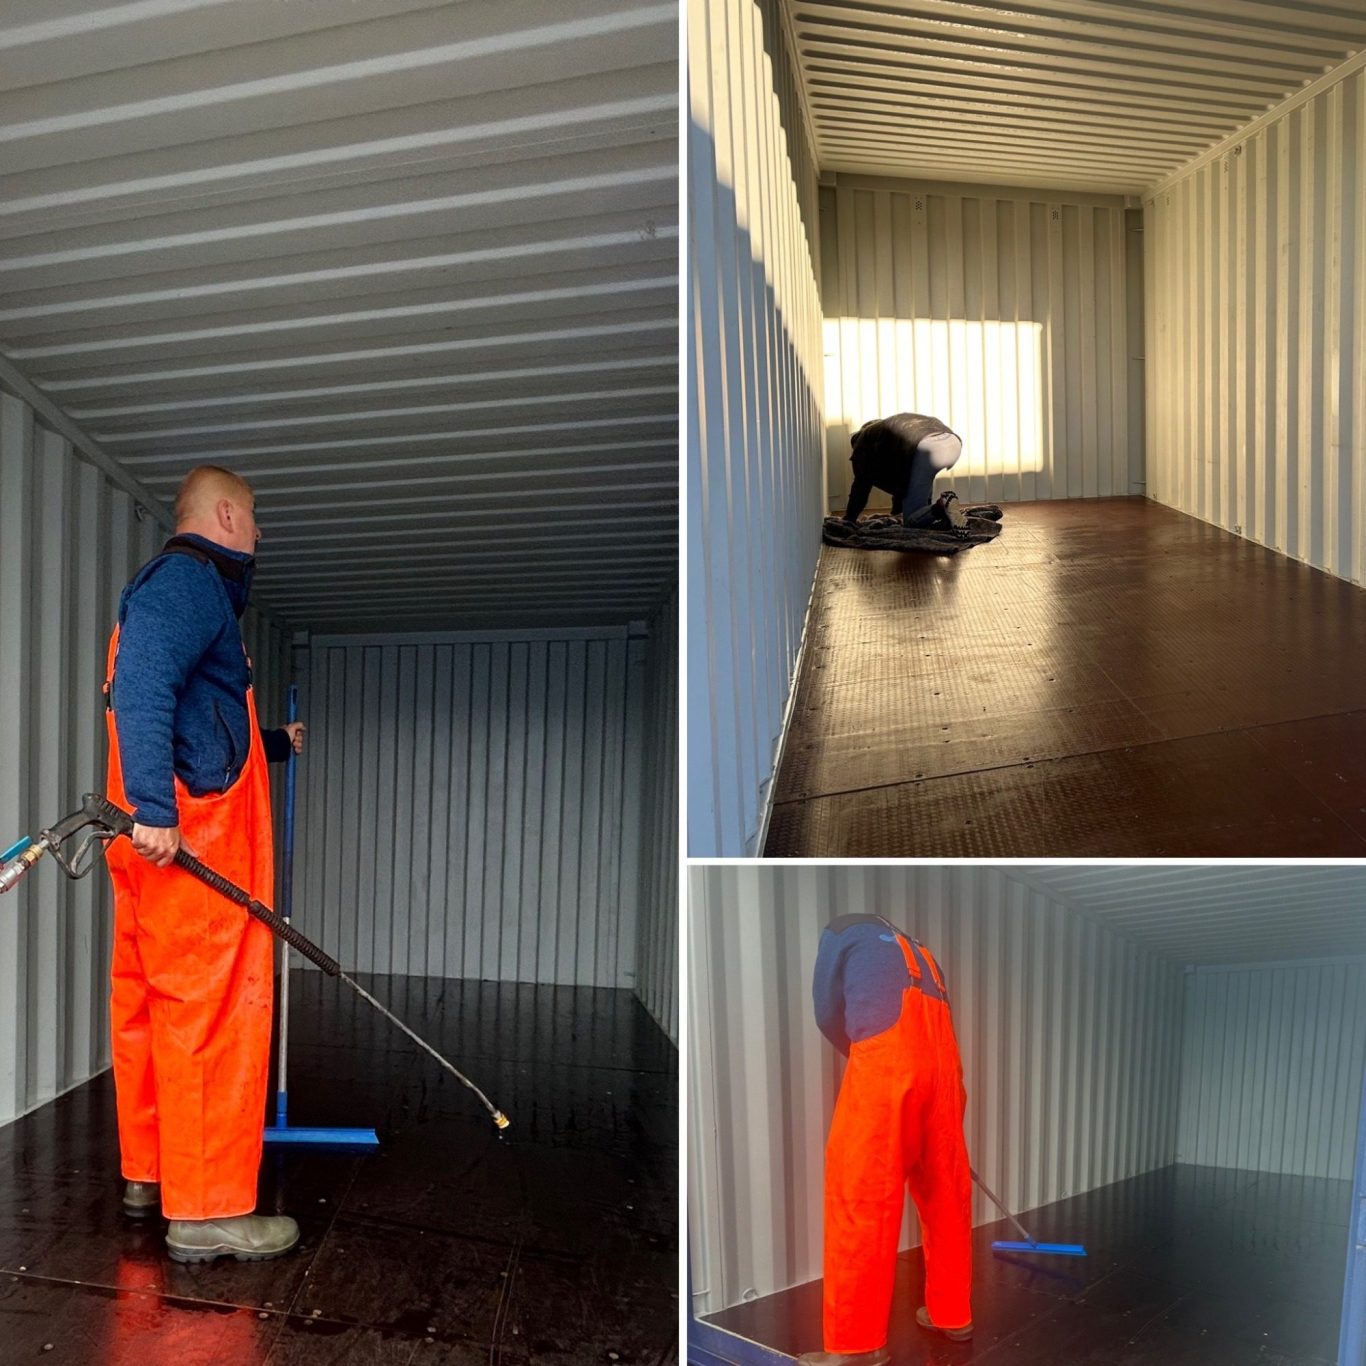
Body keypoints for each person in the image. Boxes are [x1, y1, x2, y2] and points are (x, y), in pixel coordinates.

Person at [103, 465, 306, 1263]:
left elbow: (197, 719)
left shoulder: (180, 589)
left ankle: (149, 1174)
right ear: (225, 514)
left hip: (159, 845)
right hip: (193, 846)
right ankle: (210, 1210)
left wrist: (272, 748)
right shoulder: (189, 584)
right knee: (210, 1019)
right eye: (254, 519)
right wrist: (156, 807)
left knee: (152, 1009)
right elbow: (145, 680)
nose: (259, 535)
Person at [798, 914, 973, 1366]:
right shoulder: (925, 954)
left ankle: (858, 1347)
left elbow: (825, 1011)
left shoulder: (843, 931)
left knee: (861, 1195)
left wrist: (868, 1057)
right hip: (946, 1077)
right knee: (945, 1196)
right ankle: (953, 1316)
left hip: (889, 1065)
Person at [842, 413, 968, 531]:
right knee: (922, 478)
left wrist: (849, 519)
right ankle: (940, 514)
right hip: (953, 442)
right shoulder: (891, 431)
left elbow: (860, 489)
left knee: (911, 523)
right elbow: (901, 480)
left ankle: (942, 506)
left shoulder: (863, 444)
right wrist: (897, 513)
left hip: (926, 447)